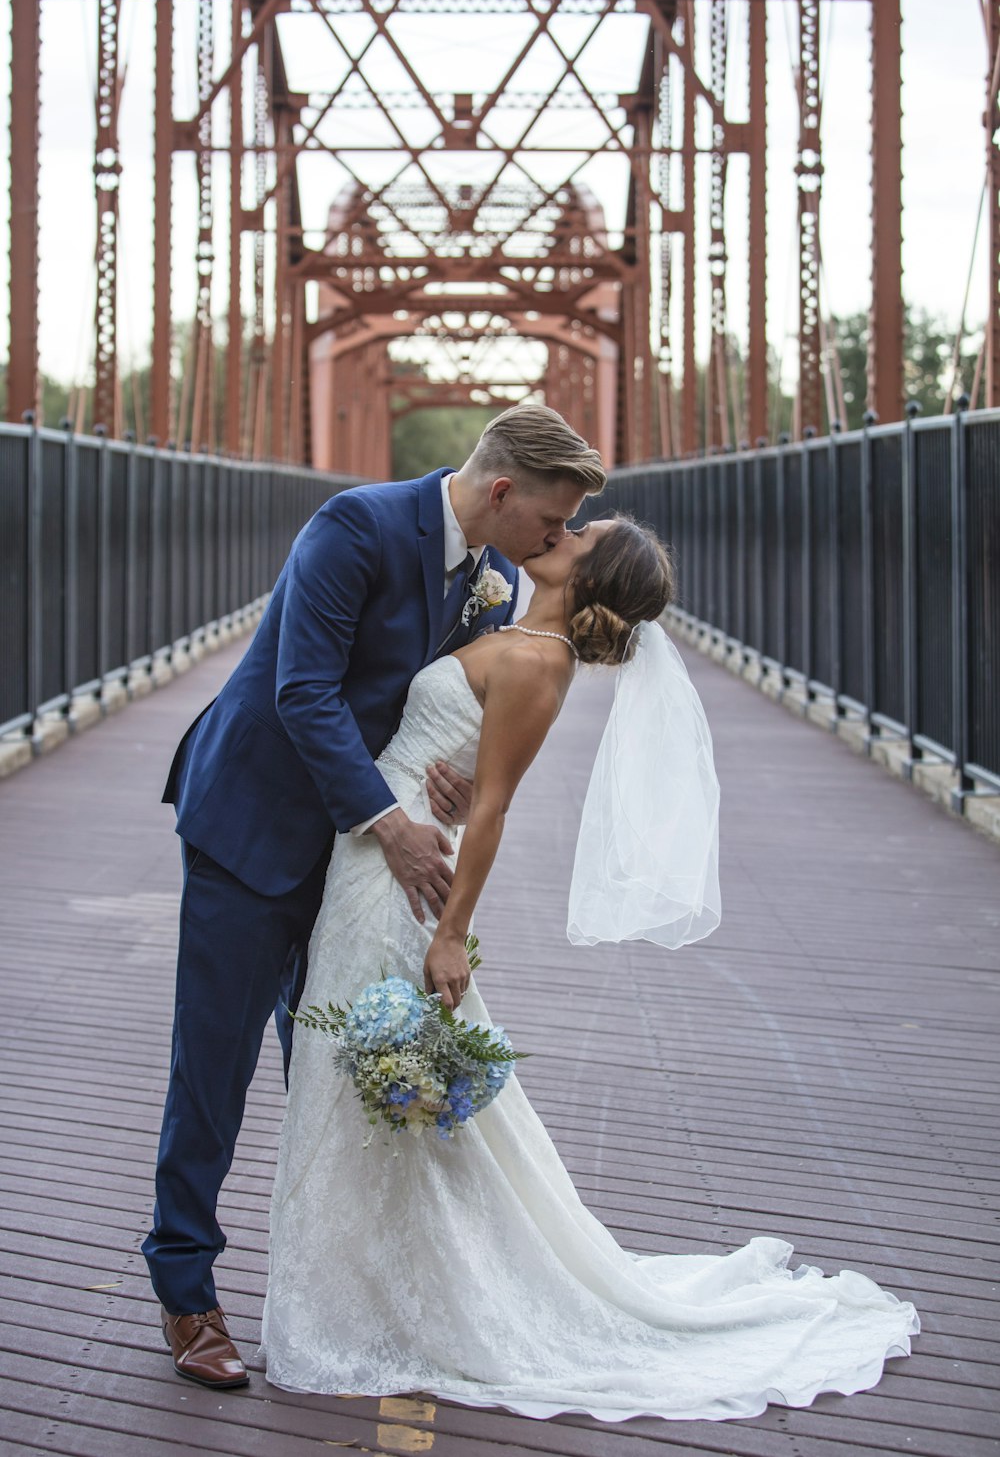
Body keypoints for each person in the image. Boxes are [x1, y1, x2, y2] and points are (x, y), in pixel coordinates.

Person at [261, 516, 919, 1422]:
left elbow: (489, 812)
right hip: (381, 839)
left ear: (587, 570)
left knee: (375, 1083)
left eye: (577, 530)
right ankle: (376, 1287)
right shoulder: (509, 626)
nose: (556, 527)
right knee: (363, 1081)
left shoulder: (537, 661)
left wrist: (453, 934)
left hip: (404, 881)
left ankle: (402, 1303)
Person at [142, 404, 608, 1389]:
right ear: (499, 493)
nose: (554, 541)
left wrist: (440, 772)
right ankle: (186, 1291)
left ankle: (347, 1289)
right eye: (549, 520)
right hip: (256, 828)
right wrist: (390, 822)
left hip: (353, 861)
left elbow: (423, 694)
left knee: (341, 1077)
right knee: (212, 1069)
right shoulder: (357, 525)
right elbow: (302, 690)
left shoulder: (493, 585)